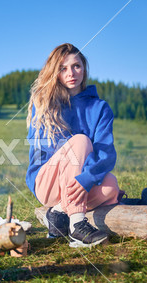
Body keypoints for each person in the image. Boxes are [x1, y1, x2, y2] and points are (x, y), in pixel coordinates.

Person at [26, 43, 120, 247]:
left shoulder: (100, 108)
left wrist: (86, 178)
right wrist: (74, 154)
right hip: (46, 182)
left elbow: (106, 153)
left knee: (111, 185)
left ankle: (59, 213)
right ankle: (77, 225)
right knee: (80, 141)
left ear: (84, 68)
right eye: (63, 68)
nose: (71, 73)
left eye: (76, 66)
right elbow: (39, 152)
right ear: (55, 72)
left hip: (75, 185)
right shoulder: (44, 103)